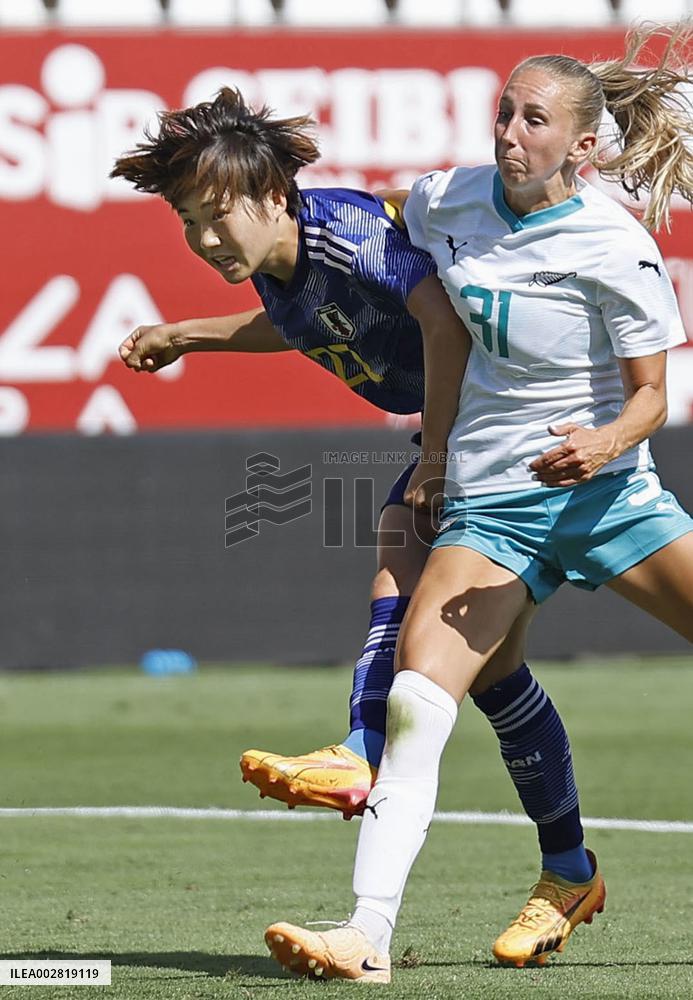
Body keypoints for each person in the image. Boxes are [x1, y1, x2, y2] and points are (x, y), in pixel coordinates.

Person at [113, 86, 604, 968]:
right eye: (188, 221)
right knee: (490, 673)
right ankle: (564, 868)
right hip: (478, 433)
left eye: (217, 215)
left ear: (274, 196)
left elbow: (442, 323)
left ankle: (359, 758)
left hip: (513, 434)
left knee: (398, 567)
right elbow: (299, 325)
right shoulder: (281, 267)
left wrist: (437, 456)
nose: (205, 238)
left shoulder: (344, 231)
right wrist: (188, 335)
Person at [263, 23, 693, 984]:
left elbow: (650, 399)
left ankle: (566, 874)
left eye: (533, 119)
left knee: (486, 687)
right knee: (418, 704)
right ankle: (365, 935)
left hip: (607, 500)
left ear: (583, 147)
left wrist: (604, 441)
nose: (508, 132)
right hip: (492, 503)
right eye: (503, 112)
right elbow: (363, 243)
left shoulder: (614, 247)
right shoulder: (445, 198)